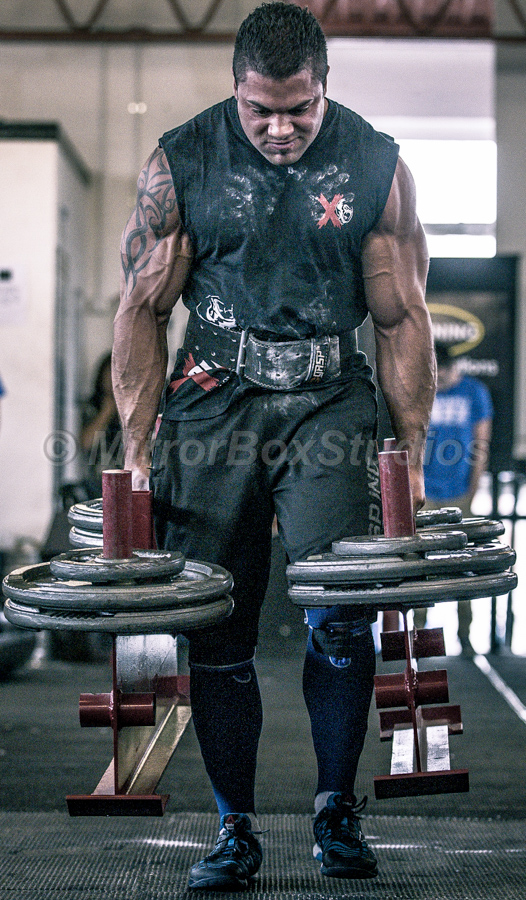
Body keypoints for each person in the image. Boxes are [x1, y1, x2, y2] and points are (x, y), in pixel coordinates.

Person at [112, 2, 435, 889]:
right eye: (262, 110)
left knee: (341, 609)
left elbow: (402, 318)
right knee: (217, 618)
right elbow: (141, 308)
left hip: (329, 400)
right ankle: (234, 828)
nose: (282, 128)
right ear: (236, 90)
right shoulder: (182, 162)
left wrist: (409, 456)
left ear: (324, 87)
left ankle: (335, 811)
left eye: (301, 109)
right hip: (214, 399)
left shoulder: (375, 163)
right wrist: (136, 453)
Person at [418, 341, 493, 657]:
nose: (439, 381)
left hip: (460, 493)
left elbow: (481, 445)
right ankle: (419, 640)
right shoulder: (422, 390)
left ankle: (465, 638)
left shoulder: (474, 392)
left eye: (443, 374)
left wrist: (472, 492)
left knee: (464, 566)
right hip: (425, 494)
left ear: (453, 369)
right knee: (419, 568)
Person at [80, 352, 123, 497]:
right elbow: (85, 443)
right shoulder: (92, 407)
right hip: (97, 484)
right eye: (109, 373)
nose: (113, 379)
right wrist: (106, 411)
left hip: (128, 481)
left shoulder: (134, 408)